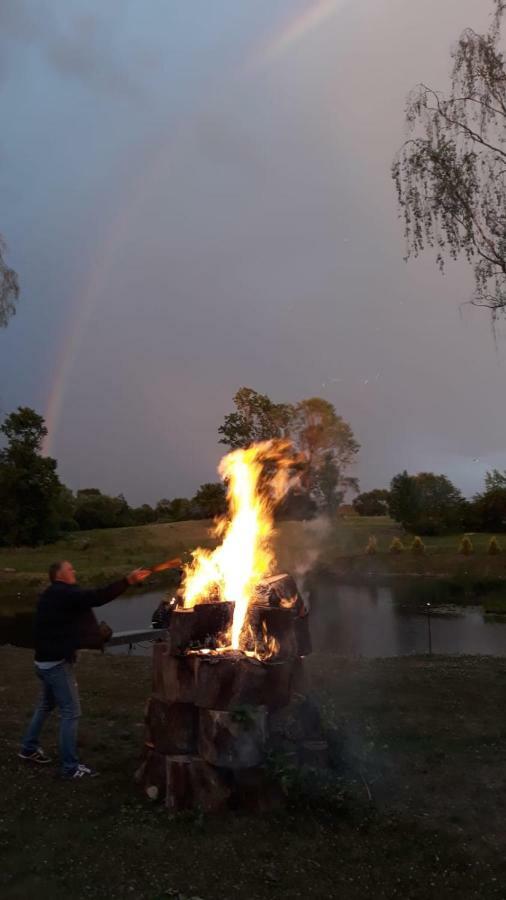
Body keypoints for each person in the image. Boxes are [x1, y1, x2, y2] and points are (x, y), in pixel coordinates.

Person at [18, 560, 150, 779]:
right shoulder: (64, 593)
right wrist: (127, 581)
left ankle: (28, 748)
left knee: (45, 705)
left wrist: (86, 637)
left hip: (43, 662)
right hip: (56, 665)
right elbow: (96, 597)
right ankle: (70, 768)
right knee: (71, 712)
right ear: (59, 575)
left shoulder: (50, 595)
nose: (74, 571)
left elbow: (67, 622)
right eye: (70, 569)